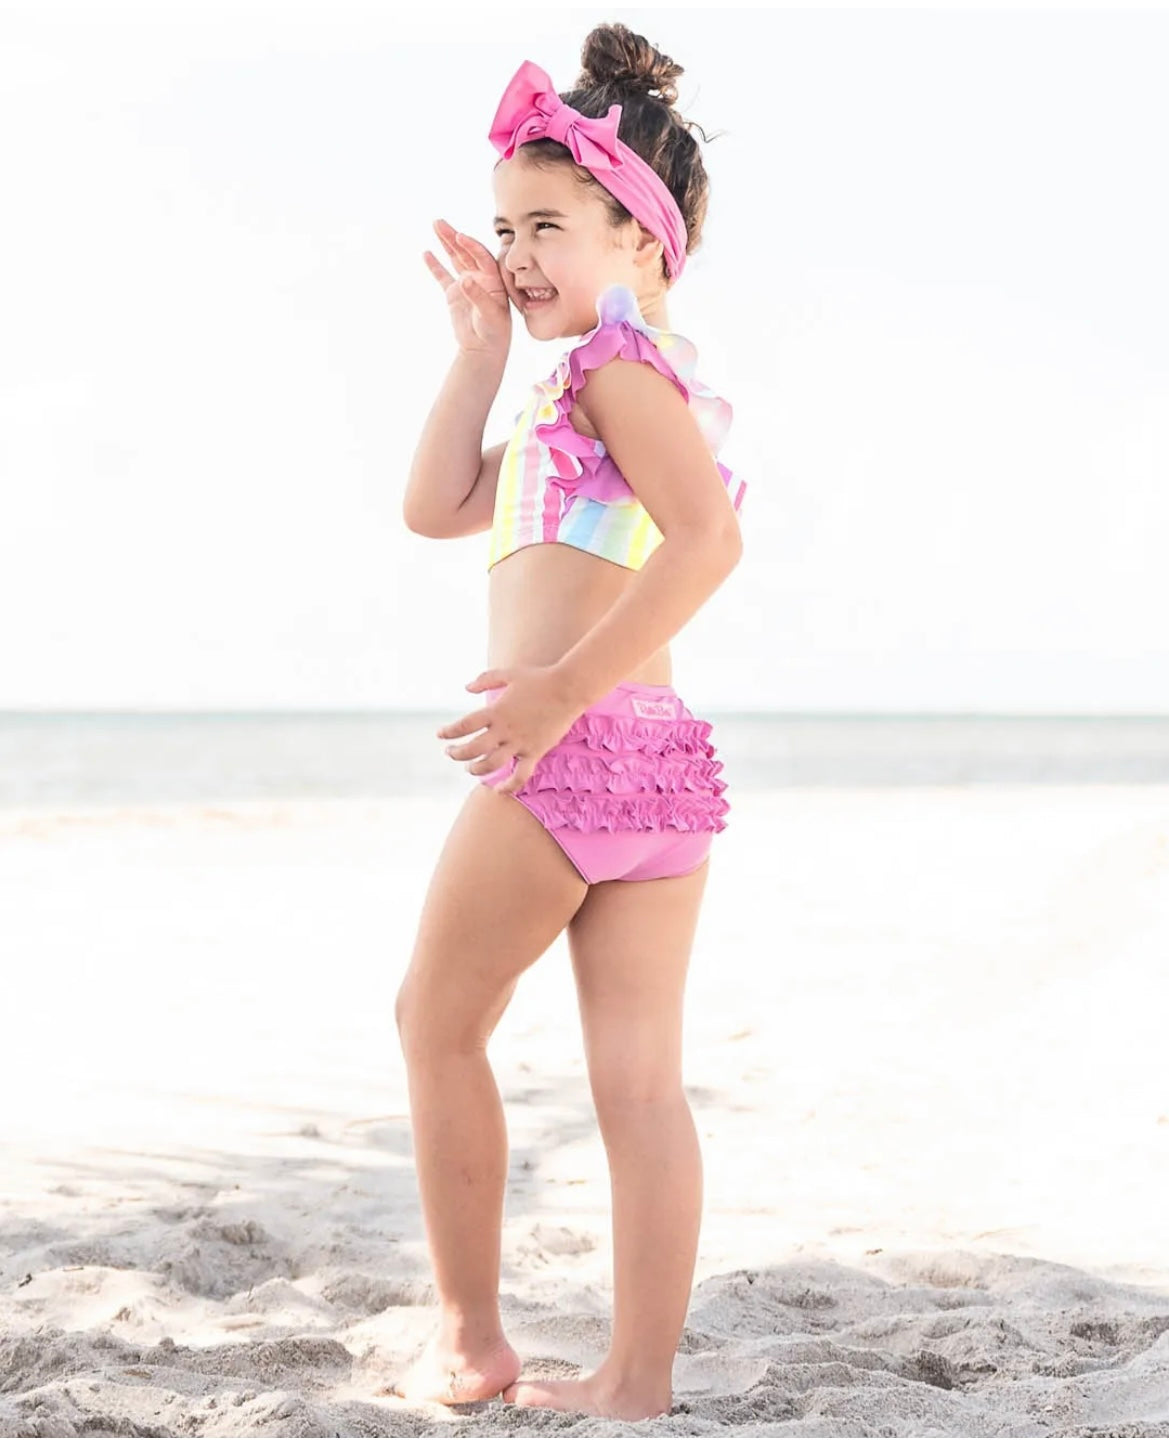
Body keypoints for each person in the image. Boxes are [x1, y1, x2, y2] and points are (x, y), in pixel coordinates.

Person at [392, 23, 747, 1424]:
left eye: (547, 223)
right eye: (502, 225)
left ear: (641, 241)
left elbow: (708, 544)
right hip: (660, 773)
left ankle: (475, 1337)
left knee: (433, 1022)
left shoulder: (613, 368)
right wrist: (479, 342)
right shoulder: (585, 383)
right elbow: (434, 505)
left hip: (570, 754)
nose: (517, 249)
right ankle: (634, 1380)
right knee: (638, 1090)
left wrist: (551, 694)